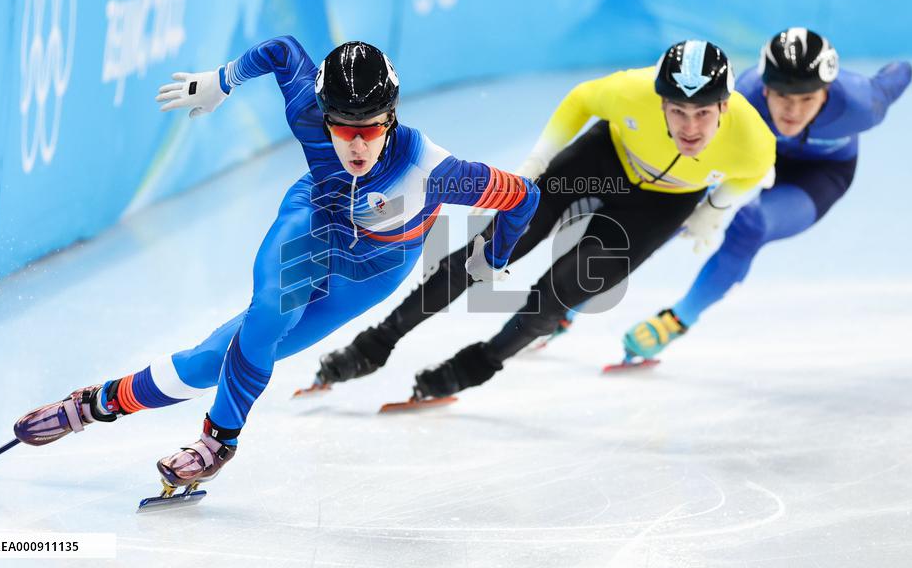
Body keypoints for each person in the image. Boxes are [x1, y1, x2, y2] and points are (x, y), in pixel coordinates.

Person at [8, 37, 539, 493]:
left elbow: (525, 198)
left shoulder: (437, 170)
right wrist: (224, 79)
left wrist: (492, 256)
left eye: (370, 129)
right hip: (314, 221)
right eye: (342, 126)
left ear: (391, 118)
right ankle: (217, 440)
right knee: (265, 315)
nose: (355, 143)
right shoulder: (308, 111)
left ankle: (97, 403)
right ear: (322, 113)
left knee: (209, 361)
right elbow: (283, 51)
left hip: (375, 268)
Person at [310, 39, 775, 400]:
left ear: (725, 107)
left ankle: (476, 365)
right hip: (603, 159)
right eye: (677, 112)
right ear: (659, 104)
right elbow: (580, 101)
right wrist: (538, 161)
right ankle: (375, 345)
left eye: (701, 114)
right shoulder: (630, 91)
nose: (689, 128)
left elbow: (754, 171)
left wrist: (715, 209)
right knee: (487, 252)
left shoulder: (752, 140)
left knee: (565, 289)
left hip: (661, 205)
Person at [618, 28, 912, 362]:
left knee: (752, 224)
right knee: (679, 209)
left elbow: (900, 73)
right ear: (766, 89)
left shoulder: (862, 103)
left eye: (807, 100)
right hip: (751, 158)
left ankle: (677, 320)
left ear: (827, 91)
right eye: (783, 97)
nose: (794, 112)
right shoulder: (741, 99)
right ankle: (574, 298)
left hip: (820, 175)